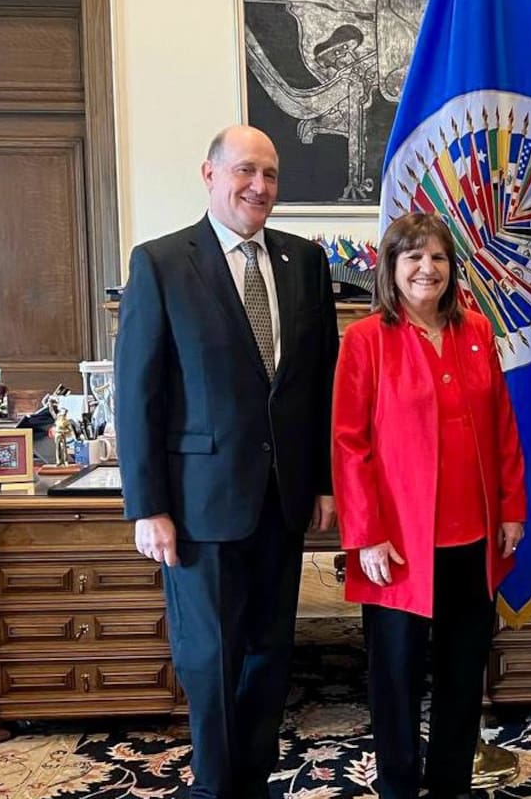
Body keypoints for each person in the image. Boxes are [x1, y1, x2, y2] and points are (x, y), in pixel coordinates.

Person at [115, 125, 338, 799]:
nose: (260, 187)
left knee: (270, 655)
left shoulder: (306, 262)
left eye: (270, 174)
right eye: (245, 171)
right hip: (199, 506)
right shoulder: (160, 263)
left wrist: (323, 482)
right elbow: (137, 394)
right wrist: (147, 506)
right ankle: (215, 786)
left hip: (283, 500)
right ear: (209, 175)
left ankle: (253, 780)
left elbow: (317, 383)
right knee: (210, 660)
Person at [331, 213, 526, 799]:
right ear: (391, 268)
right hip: (398, 543)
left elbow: (502, 428)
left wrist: (512, 508)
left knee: (463, 674)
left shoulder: (475, 332)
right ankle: (397, 787)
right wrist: (365, 533)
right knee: (396, 678)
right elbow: (348, 441)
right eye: (413, 257)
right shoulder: (367, 339)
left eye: (438, 257)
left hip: (474, 536)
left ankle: (449, 784)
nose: (427, 268)